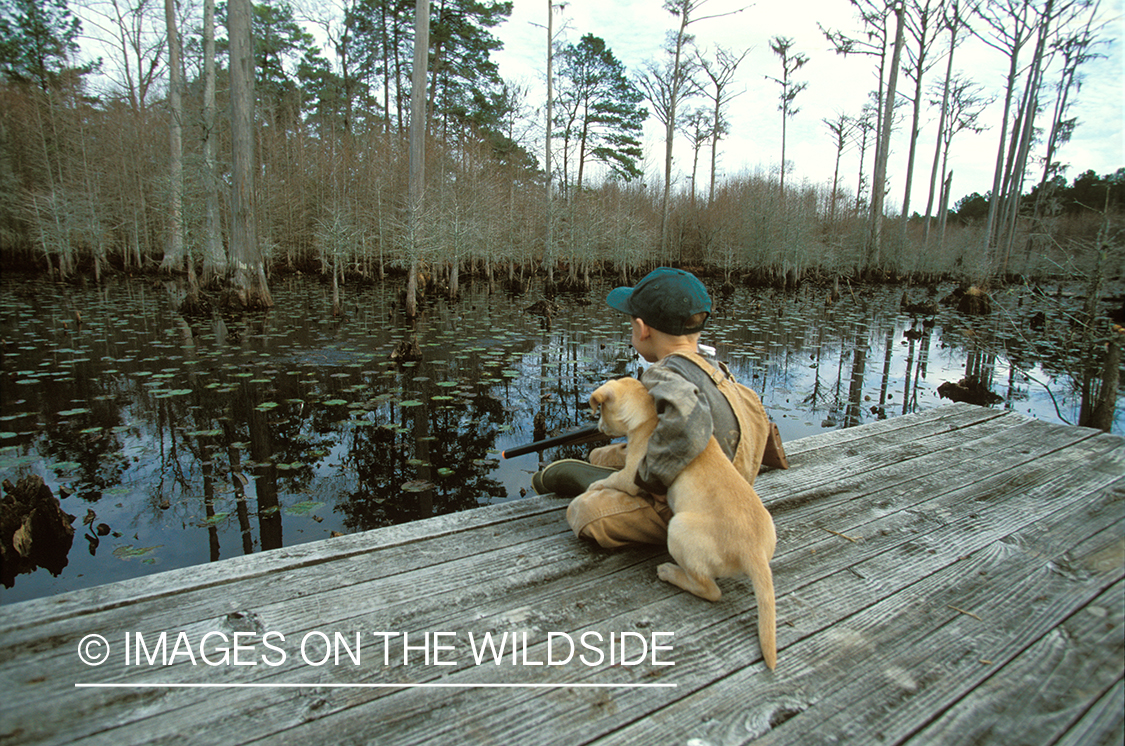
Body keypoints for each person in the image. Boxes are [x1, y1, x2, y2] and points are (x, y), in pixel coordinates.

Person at [533, 267, 784, 548]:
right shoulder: (712, 366)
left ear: (642, 330)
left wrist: (652, 481)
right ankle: (612, 473)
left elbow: (689, 425)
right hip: (722, 477)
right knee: (601, 455)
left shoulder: (662, 374)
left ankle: (622, 482)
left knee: (586, 514)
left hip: (699, 504)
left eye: (631, 326)